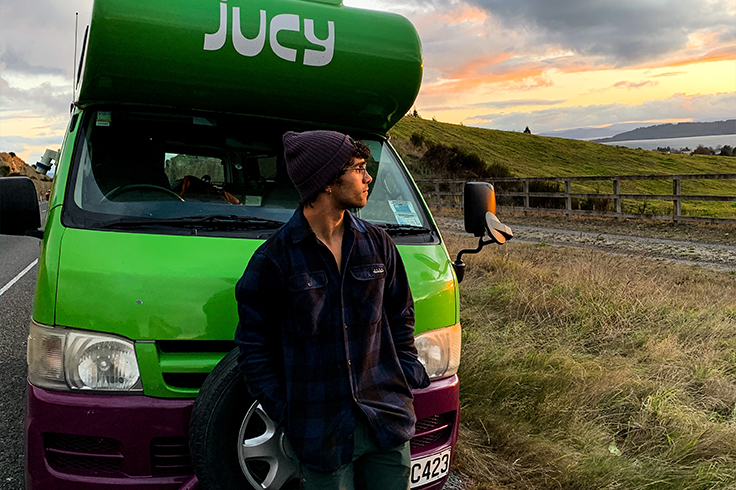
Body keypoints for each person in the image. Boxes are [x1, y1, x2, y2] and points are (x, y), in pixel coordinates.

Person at [234, 130, 430, 490]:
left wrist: (403, 374)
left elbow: (400, 315)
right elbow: (254, 349)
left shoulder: (378, 244)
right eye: (358, 168)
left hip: (384, 420)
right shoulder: (274, 260)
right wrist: (288, 410)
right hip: (319, 430)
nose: (368, 178)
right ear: (326, 181)